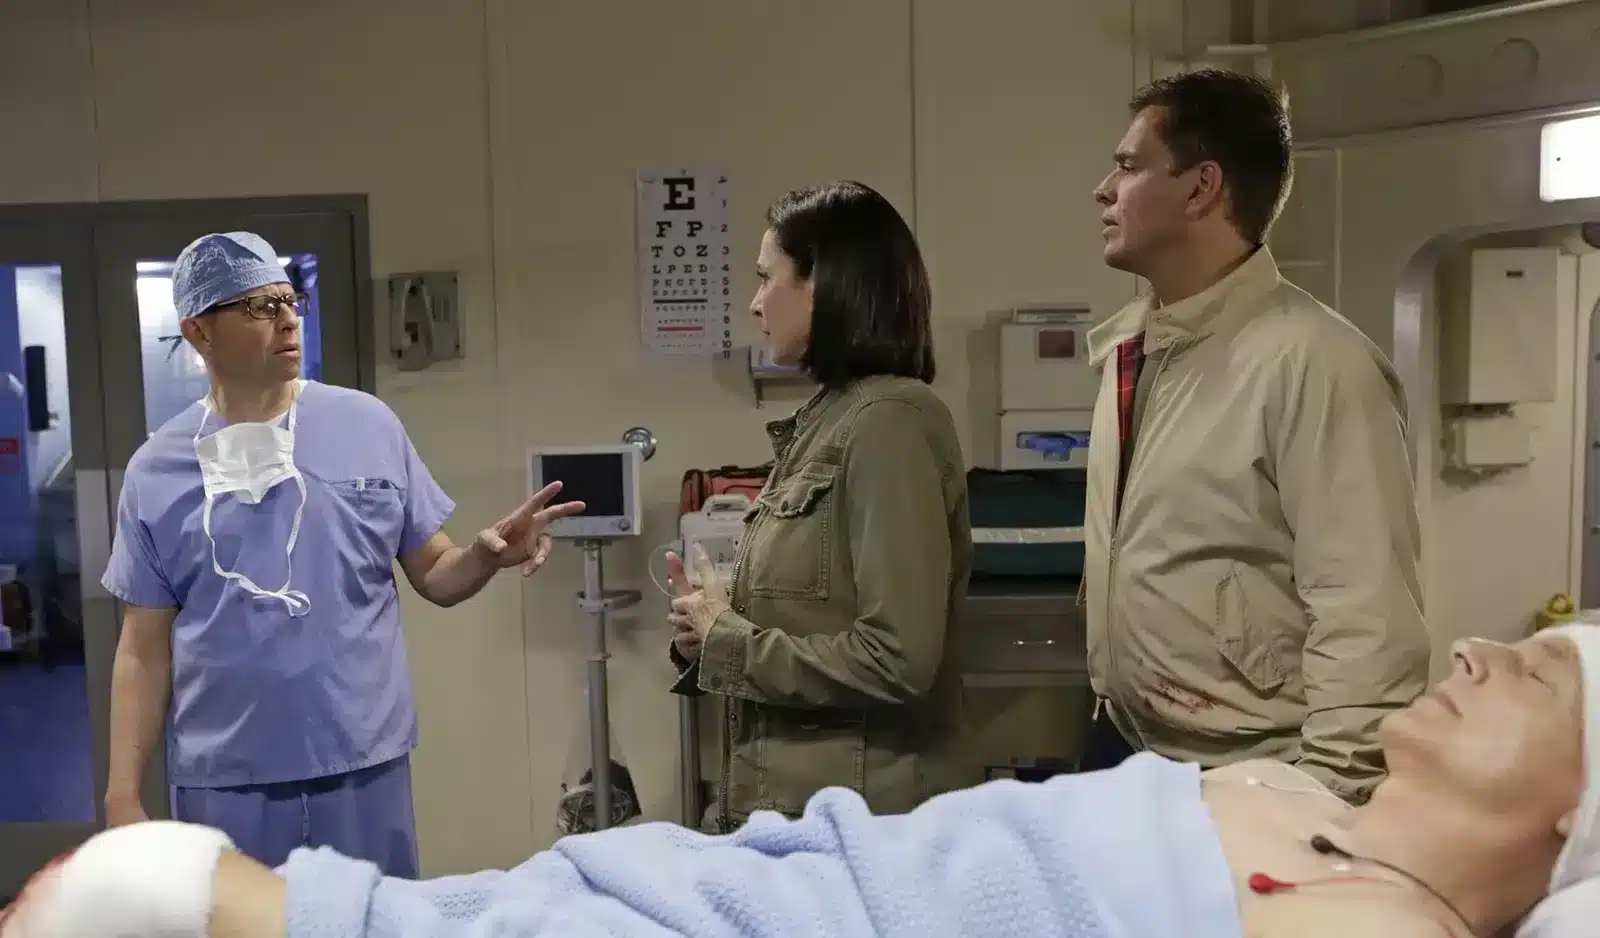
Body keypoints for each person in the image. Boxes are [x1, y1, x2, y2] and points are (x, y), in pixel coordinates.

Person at [6, 623, 1597, 938]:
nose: (1476, 645)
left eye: (1535, 672)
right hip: (815, 859)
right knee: (560, 885)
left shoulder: (1383, 921)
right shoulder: (1302, 795)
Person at [98, 231, 585, 877]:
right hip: (227, 776)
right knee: (245, 923)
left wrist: (485, 557)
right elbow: (142, 648)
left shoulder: (366, 425)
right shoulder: (157, 469)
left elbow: (435, 574)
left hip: (360, 763)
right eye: (258, 306)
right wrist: (123, 794)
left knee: (371, 918)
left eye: (289, 300)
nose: (286, 319)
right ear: (199, 331)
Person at [1077, 68, 1429, 803]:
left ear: (1201, 188)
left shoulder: (1316, 363)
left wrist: (1325, 802)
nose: (1103, 191)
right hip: (1127, 746)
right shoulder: (1133, 350)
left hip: (1252, 772)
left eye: (1129, 167)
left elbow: (1365, 615)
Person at [663, 180, 973, 831]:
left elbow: (897, 659)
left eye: (765, 277)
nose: (754, 303)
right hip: (800, 814)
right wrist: (709, 632)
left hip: (863, 824)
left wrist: (731, 643)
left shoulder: (889, 421)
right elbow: (813, 614)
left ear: (824, 283)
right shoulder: (830, 419)